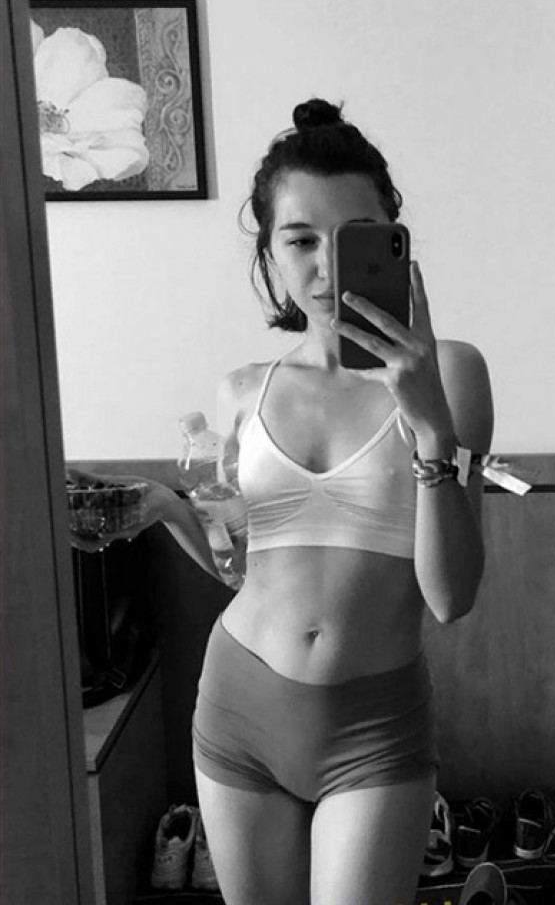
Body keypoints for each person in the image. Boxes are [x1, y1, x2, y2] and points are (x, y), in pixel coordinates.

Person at [80, 98, 494, 905]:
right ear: (269, 254)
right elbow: (244, 571)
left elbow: (451, 597)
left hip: (374, 726)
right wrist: (168, 508)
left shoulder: (454, 372)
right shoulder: (244, 392)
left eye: (355, 237)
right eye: (301, 240)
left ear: (396, 241)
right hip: (238, 706)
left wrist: (430, 426)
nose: (327, 267)